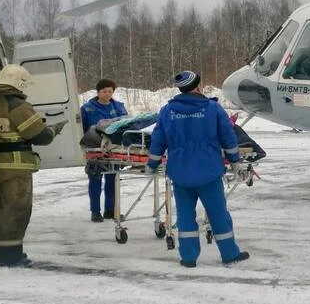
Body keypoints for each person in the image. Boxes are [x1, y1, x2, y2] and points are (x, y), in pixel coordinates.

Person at [147, 70, 249, 267]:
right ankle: (229, 254)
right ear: (198, 87)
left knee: (185, 216)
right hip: (208, 172)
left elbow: (158, 140)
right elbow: (228, 136)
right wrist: (235, 160)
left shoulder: (167, 111)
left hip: (180, 173)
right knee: (218, 214)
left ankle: (188, 257)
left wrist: (151, 164)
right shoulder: (213, 109)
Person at [0, 64, 58, 267]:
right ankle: (9, 256)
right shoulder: (18, 106)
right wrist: (53, 130)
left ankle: (2, 252)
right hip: (15, 167)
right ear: (18, 84)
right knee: (17, 210)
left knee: (2, 210)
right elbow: (40, 136)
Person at [80, 79, 128, 222]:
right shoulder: (87, 108)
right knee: (95, 178)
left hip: (113, 147)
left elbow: (126, 125)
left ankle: (110, 210)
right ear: (98, 92)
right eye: (104, 91)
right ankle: (95, 211)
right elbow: (81, 128)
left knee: (112, 179)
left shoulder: (118, 107)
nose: (107, 94)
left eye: (110, 91)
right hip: (94, 147)